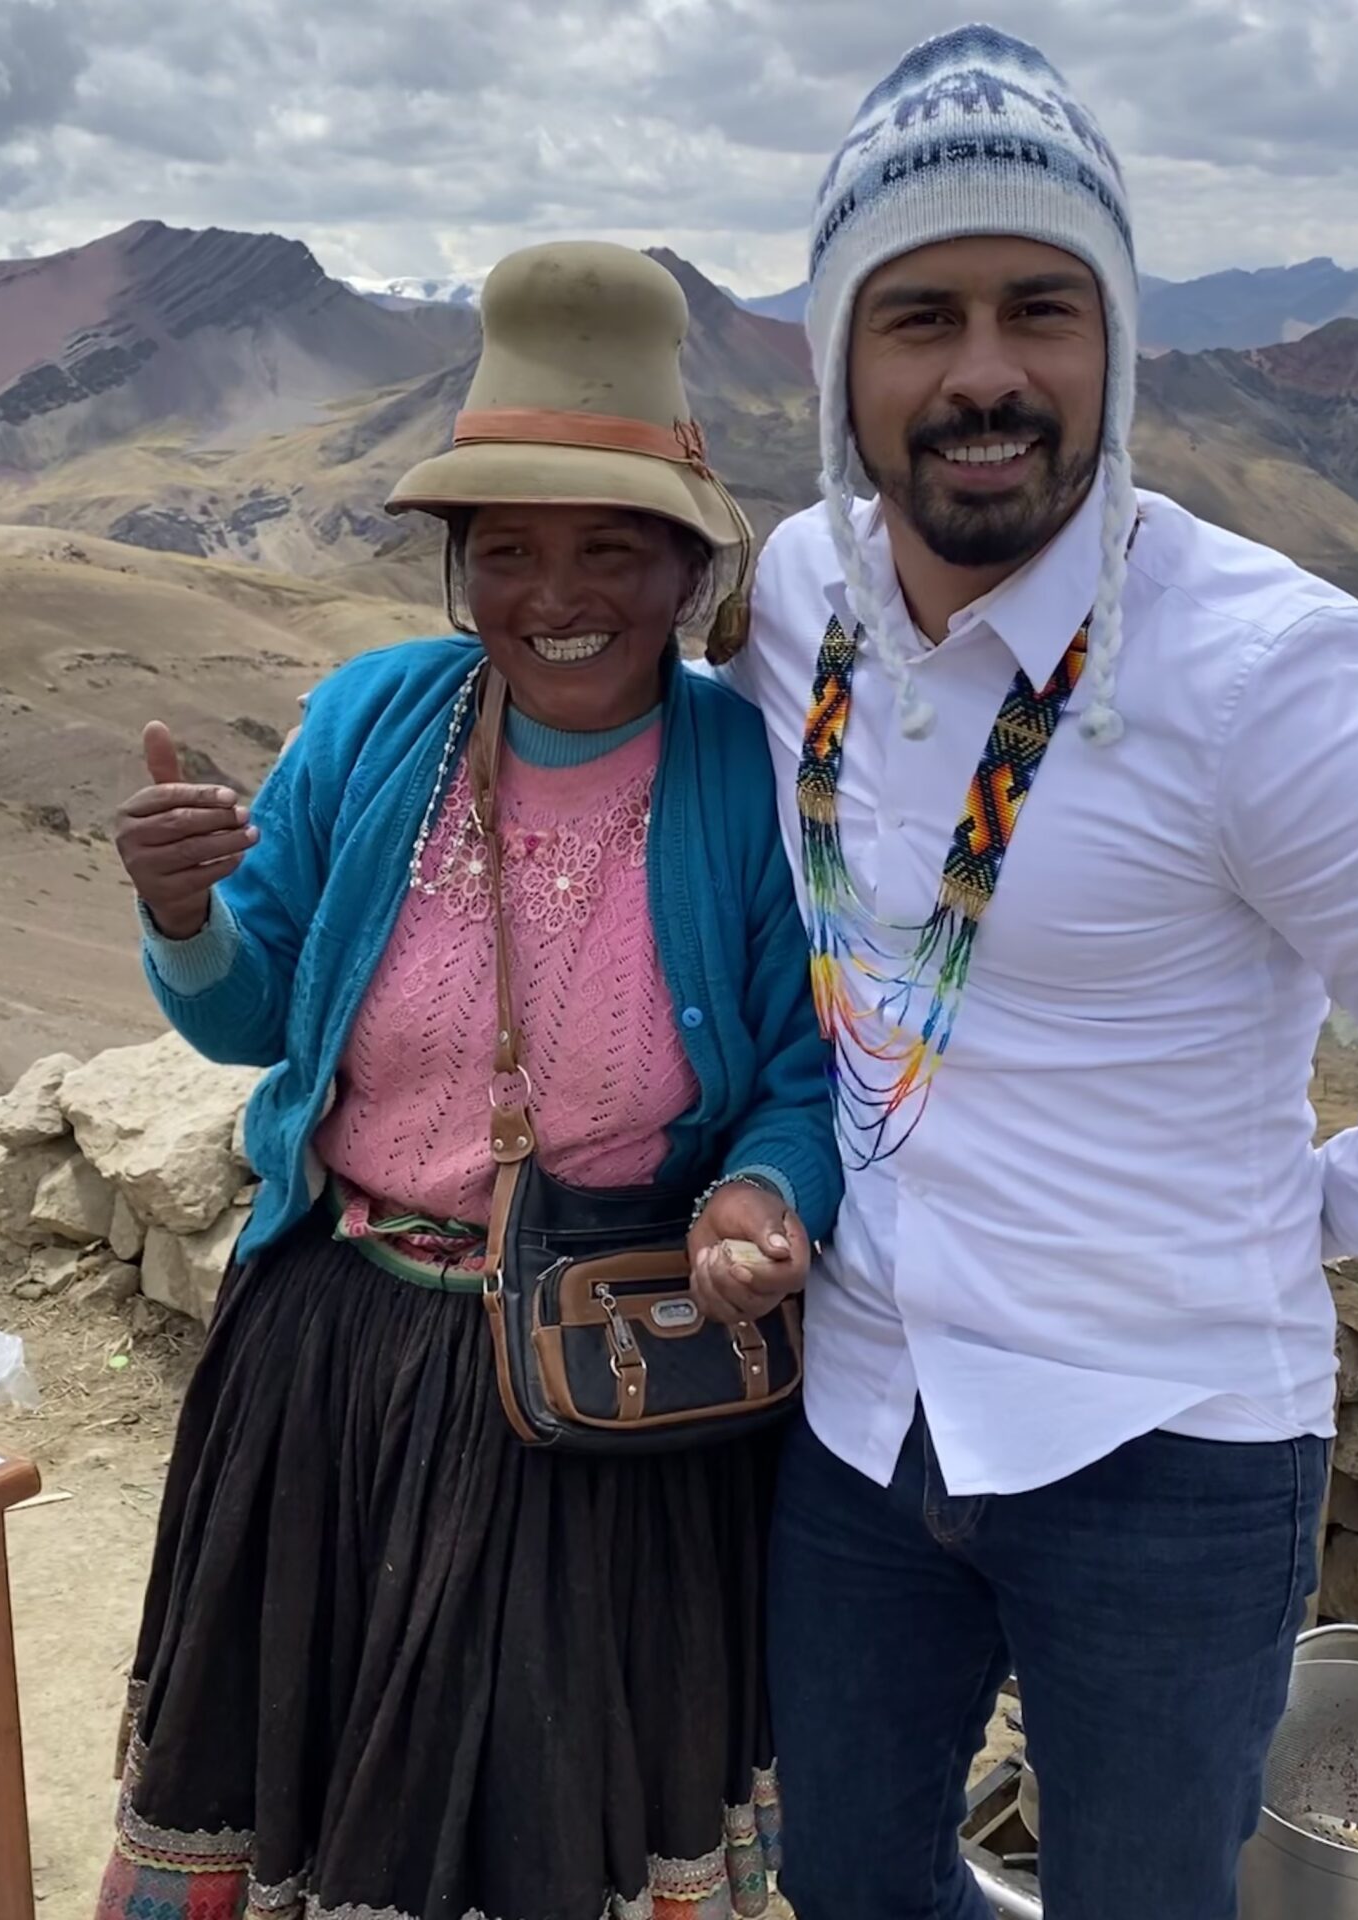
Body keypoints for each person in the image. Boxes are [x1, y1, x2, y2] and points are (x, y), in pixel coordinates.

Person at [707, 25, 1358, 1919]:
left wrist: (1289, 1216)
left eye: (1044, 307)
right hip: (866, 1404)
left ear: (1116, 344)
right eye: (919, 315)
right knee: (853, 1880)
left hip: (1166, 1443)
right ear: (839, 364)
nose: (984, 372)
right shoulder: (803, 596)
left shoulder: (1270, 675)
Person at [97, 242, 843, 1920]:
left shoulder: (741, 774)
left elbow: (801, 1072)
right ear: (455, 567)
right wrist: (181, 912)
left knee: (542, 1816)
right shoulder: (376, 724)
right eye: (505, 551)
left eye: (609, 549)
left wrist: (760, 1191)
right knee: (295, 1771)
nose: (554, 593)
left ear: (685, 570)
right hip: (337, 1363)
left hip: (603, 1379)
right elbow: (253, 1014)